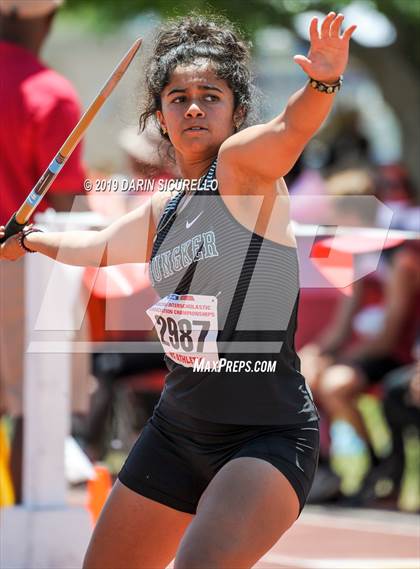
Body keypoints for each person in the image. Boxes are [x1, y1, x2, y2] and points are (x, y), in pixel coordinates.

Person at [1, 12, 356, 568]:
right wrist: (31, 241)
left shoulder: (243, 172)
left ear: (236, 112)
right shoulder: (165, 209)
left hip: (263, 438)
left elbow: (291, 129)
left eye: (210, 96)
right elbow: (95, 249)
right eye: (178, 97)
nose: (193, 107)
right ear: (160, 118)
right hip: (176, 431)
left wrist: (322, 82)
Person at [0, 0, 87, 503]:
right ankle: (23, 534)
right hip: (22, 267)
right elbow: (66, 202)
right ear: (47, 19)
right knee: (34, 406)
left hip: (21, 262)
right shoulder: (49, 93)